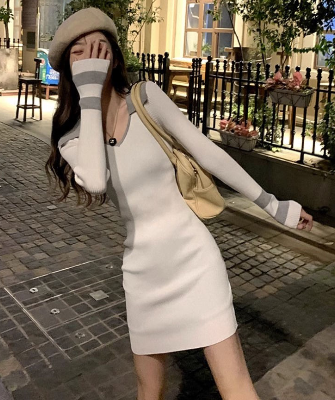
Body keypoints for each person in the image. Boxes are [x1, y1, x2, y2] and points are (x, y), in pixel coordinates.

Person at [45, 8, 314, 400]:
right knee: (149, 391)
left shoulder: (145, 98)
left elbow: (207, 152)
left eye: (101, 48)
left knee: (236, 387)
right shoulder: (71, 139)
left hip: (194, 258)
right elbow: (97, 179)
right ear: (69, 70)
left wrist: (273, 204)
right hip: (143, 272)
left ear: (115, 58)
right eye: (80, 53)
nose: (92, 58)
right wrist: (89, 94)